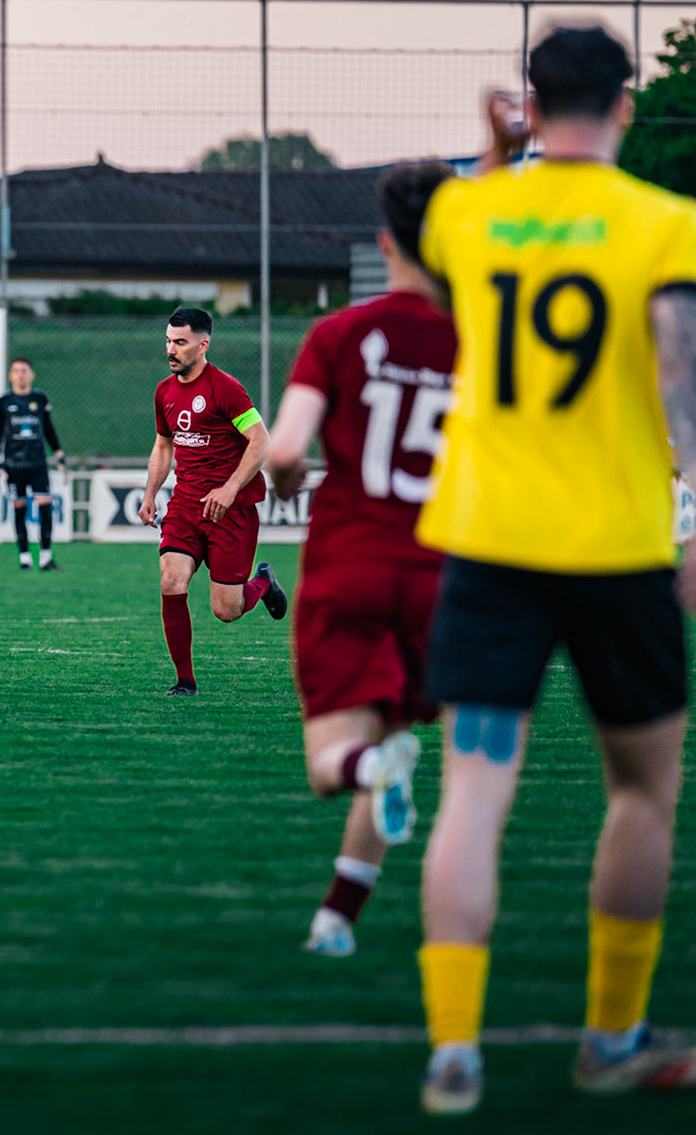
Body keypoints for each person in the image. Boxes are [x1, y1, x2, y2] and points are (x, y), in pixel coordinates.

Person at [412, 26, 696, 1115]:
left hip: (492, 546)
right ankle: (611, 1035)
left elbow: (481, 212)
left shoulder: (469, 211)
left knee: (472, 794)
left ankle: (454, 1049)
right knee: (643, 790)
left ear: (532, 103)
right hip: (616, 548)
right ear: (627, 105)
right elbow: (683, 366)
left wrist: (496, 151)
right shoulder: (663, 222)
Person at [266, 162, 458, 959]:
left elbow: (282, 451)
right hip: (440, 578)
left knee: (335, 764)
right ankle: (337, 919)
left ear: (385, 245)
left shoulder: (340, 334)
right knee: (393, 741)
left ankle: (371, 772)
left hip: (349, 563)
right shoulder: (481, 343)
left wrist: (286, 479)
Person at [139, 305, 288, 698]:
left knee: (227, 610)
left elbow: (261, 441)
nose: (172, 350)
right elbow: (163, 445)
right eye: (169, 341)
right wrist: (150, 493)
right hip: (186, 507)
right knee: (171, 580)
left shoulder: (225, 388)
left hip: (230, 512)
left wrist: (230, 488)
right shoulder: (164, 391)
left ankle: (263, 582)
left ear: (203, 345)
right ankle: (185, 681)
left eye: (181, 343)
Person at [0, 357, 66, 570]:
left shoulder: (39, 399)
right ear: (10, 376)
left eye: (24, 371)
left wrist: (58, 453)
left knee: (45, 508)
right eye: (16, 371)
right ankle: (24, 557)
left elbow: (49, 429)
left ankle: (45, 556)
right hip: (14, 465)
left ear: (31, 375)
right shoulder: (4, 402)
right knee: (19, 508)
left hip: (37, 463)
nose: (20, 374)